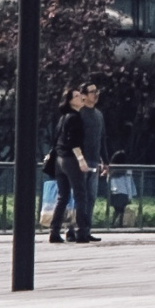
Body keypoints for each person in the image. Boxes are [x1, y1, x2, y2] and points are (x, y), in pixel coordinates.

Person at [48, 85, 105, 244]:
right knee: (81, 196)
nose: (81, 98)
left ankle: (54, 231)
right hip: (72, 160)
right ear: (71, 101)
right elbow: (73, 142)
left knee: (63, 197)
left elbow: (57, 140)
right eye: (77, 97)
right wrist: (81, 159)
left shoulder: (63, 118)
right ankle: (81, 232)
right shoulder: (75, 118)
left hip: (60, 160)